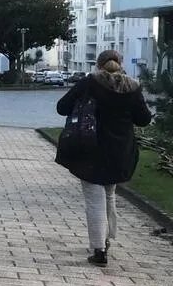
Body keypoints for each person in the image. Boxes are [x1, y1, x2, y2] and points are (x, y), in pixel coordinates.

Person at [56, 49, 152, 267]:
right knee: (109, 194)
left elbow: (62, 107)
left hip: (90, 148)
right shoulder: (132, 87)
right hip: (120, 151)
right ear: (121, 64)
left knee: (94, 199)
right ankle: (106, 239)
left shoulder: (89, 83)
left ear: (98, 65)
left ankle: (98, 250)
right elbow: (144, 119)